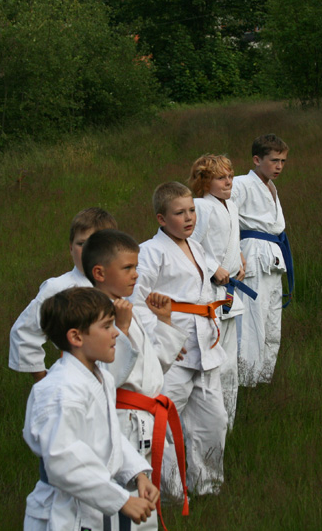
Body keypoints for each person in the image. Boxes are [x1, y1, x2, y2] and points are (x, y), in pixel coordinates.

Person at [23, 287, 158, 530]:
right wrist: (121, 500)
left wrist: (138, 474)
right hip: (63, 513)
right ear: (76, 337)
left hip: (94, 502)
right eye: (106, 326)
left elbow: (110, 436)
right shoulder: (60, 391)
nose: (116, 333)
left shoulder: (101, 377)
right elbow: (62, 461)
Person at [82, 229, 188, 530]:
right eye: (127, 267)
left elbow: (152, 368)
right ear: (100, 273)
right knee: (126, 507)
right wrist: (122, 329)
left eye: (136, 267)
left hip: (145, 416)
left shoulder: (124, 308)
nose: (136, 275)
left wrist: (164, 321)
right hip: (123, 421)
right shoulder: (93, 316)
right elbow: (105, 379)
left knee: (145, 504)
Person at [129, 182, 228, 499]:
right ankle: (169, 493)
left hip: (206, 346)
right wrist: (163, 335)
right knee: (163, 422)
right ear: (161, 218)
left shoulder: (196, 247)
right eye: (179, 213)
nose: (189, 218)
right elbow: (134, 301)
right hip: (173, 353)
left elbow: (203, 293)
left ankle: (207, 487)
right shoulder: (150, 252)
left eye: (192, 211)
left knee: (213, 421)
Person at [9, 207, 117, 381]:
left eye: (97, 244)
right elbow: (24, 333)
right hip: (77, 380)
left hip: (124, 384)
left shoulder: (124, 284)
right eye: (81, 244)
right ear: (70, 248)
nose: (88, 251)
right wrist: (43, 379)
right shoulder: (59, 287)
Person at [188, 154, 252, 430]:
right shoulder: (201, 207)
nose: (228, 182)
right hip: (209, 294)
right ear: (204, 182)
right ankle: (209, 424)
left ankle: (228, 425)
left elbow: (229, 239)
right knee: (213, 362)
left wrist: (239, 257)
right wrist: (214, 267)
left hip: (229, 295)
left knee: (229, 365)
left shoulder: (231, 206)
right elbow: (189, 244)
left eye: (230, 176)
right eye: (220, 178)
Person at [231, 134, 292, 386]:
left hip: (272, 256)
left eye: (283, 161)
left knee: (271, 321)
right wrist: (235, 253)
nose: (279, 166)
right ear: (257, 160)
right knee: (250, 320)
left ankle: (264, 378)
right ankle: (245, 380)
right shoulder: (241, 184)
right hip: (253, 254)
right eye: (274, 160)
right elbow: (224, 216)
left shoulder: (270, 187)